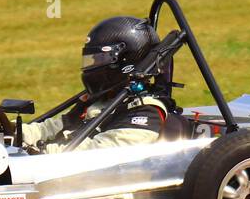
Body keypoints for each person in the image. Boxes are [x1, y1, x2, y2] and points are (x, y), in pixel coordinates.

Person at [21, 15, 174, 153]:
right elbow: (54, 127)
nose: (92, 66)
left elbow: (99, 154)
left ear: (125, 62)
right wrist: (14, 133)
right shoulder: (103, 100)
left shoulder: (145, 111)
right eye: (91, 59)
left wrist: (41, 152)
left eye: (99, 59)